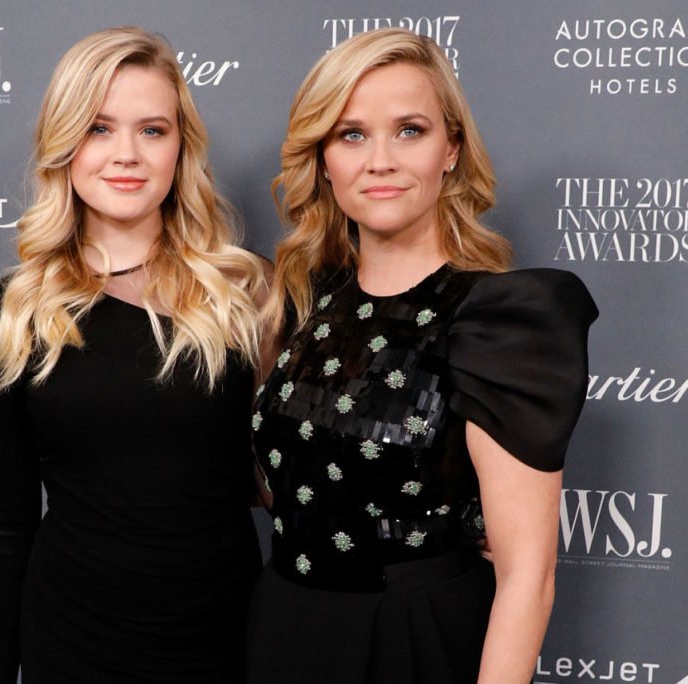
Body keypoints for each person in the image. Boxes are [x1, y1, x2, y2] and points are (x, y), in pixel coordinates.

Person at [248, 28, 598, 684]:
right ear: (322, 159)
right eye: (351, 134)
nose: (380, 160)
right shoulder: (303, 301)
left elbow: (529, 577)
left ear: (451, 149)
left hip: (415, 640)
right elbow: (289, 482)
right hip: (284, 628)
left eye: (409, 130)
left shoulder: (498, 321)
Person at [0, 26, 267, 683]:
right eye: (99, 128)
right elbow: (7, 520)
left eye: (152, 130)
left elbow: (307, 471)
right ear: (64, 143)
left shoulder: (247, 295)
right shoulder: (13, 312)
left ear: (180, 146)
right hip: (70, 644)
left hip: (224, 642)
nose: (126, 154)